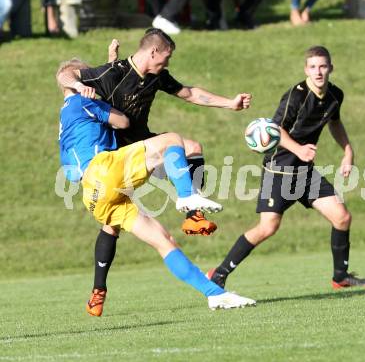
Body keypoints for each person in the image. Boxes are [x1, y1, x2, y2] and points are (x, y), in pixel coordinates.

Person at [56, 28, 252, 305]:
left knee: (163, 235)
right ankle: (187, 198)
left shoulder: (152, 76)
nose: (168, 63)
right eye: (167, 57)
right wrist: (80, 85)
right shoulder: (95, 86)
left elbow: (190, 93)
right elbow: (65, 75)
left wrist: (230, 104)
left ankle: (215, 294)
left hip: (95, 191)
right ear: (153, 51)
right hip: (112, 160)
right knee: (173, 140)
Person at [207, 46, 365, 290]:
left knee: (342, 217)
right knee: (268, 228)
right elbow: (275, 129)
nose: (318, 72)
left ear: (330, 68)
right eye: (313, 67)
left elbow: (334, 123)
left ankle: (341, 277)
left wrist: (348, 152)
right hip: (280, 171)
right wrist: (298, 150)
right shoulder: (296, 96)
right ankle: (218, 274)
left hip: (305, 173)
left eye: (323, 66)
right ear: (306, 69)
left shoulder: (335, 95)